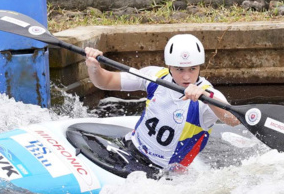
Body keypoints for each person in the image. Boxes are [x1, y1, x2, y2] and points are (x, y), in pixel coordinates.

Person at [84, 34, 240, 175]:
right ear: (169, 66)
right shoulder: (156, 76)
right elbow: (106, 81)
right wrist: (94, 67)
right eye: (179, 69)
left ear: (199, 66)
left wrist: (205, 97)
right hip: (131, 146)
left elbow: (234, 120)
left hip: (161, 172)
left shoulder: (209, 96)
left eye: (192, 69)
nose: (186, 77)